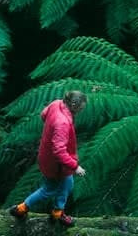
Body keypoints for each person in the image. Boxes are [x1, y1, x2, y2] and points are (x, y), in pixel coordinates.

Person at [9, 90, 87, 227]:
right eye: (81, 107)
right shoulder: (62, 123)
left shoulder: (57, 103)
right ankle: (21, 209)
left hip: (48, 156)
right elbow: (59, 152)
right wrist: (75, 167)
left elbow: (43, 115)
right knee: (48, 190)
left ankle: (57, 212)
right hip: (56, 164)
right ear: (74, 104)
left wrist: (52, 130)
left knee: (68, 184)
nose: (82, 110)